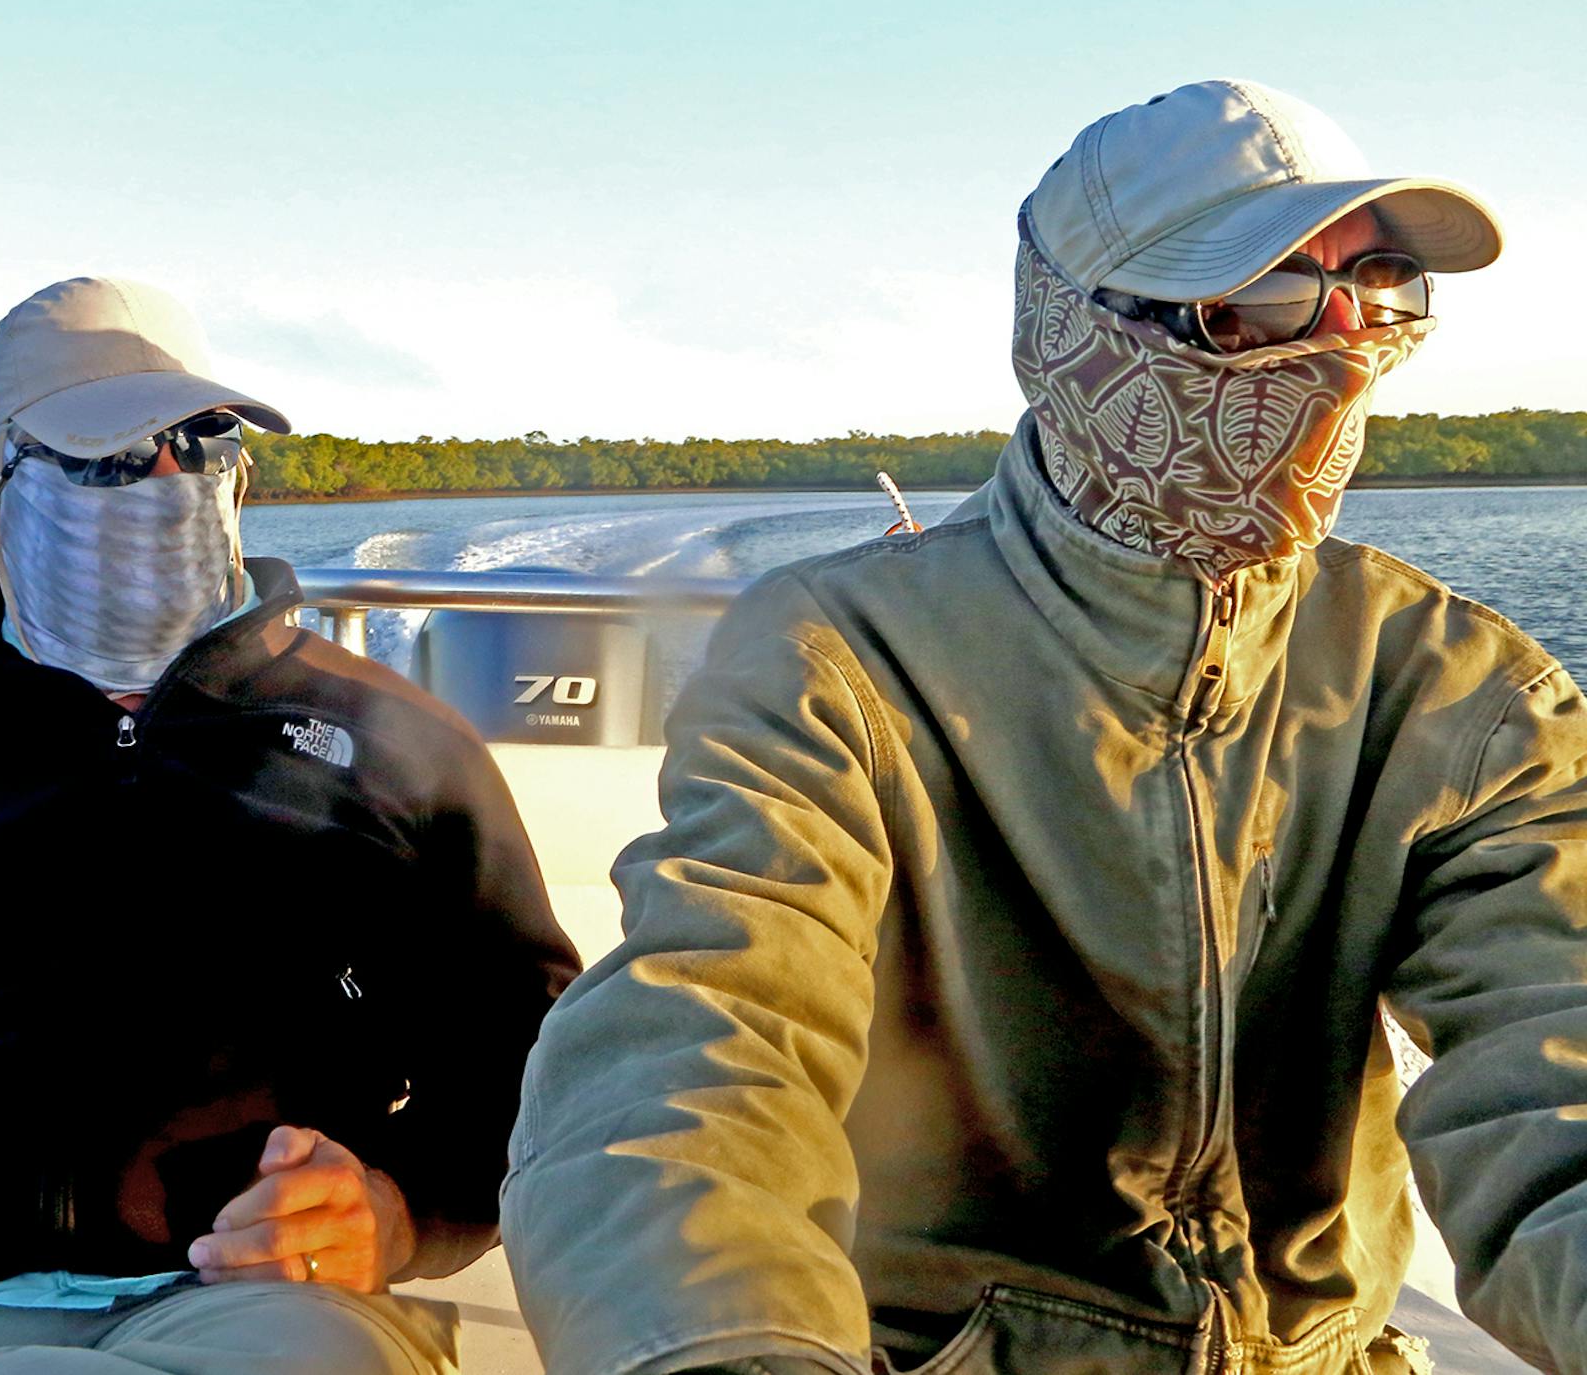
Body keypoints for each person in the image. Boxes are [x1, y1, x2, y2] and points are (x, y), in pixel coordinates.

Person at [500, 80, 1586, 1374]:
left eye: (1383, 291)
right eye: (1259, 301)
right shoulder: (842, 661)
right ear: (1074, 333)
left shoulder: (1456, 690)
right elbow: (707, 1046)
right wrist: (724, 1339)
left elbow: (1553, 1060)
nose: (1338, 347)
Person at [0, 275, 581, 1374]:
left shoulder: (392, 742)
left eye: (198, 440)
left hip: (246, 1298)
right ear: (2, 482)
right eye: (109, 458)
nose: (166, 479)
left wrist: (398, 1208)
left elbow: (536, 1059)